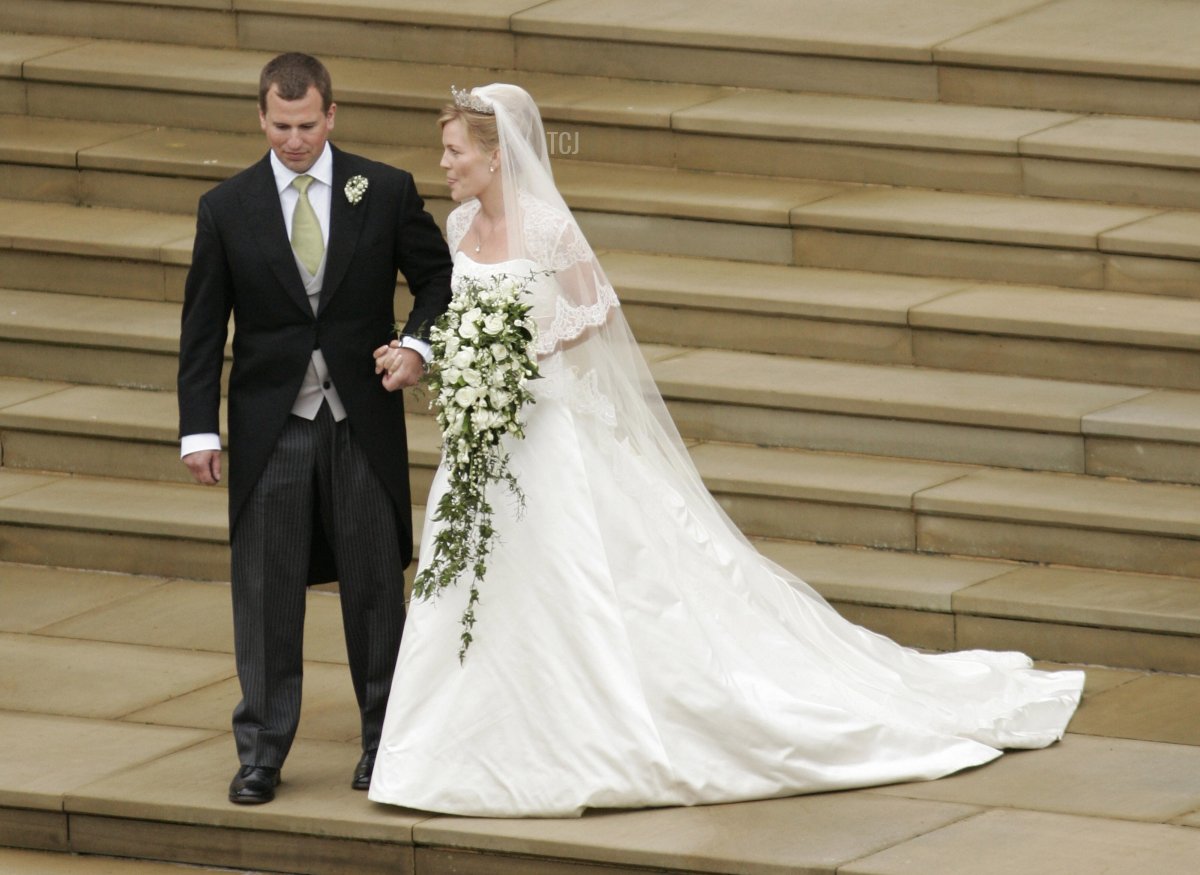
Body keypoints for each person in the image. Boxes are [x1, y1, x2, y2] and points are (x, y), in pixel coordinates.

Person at [367, 84, 1085, 818]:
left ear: (495, 155)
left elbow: (595, 308)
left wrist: (517, 356)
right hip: (486, 442)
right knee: (470, 583)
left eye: (455, 149)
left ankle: (585, 734)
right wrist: (449, 353)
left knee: (576, 582)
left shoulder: (548, 227)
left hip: (549, 429)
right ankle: (464, 742)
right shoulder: (458, 224)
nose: (446, 162)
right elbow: (458, 309)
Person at [177, 52, 453, 805]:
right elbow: (203, 328)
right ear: (261, 118)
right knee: (265, 591)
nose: (293, 139)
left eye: (306, 124)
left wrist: (417, 343)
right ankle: (262, 748)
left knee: (373, 585)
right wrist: (198, 429)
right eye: (280, 125)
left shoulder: (384, 190)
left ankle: (382, 739)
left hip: (359, 418)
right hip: (274, 425)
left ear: (331, 115)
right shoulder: (226, 207)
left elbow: (438, 276)